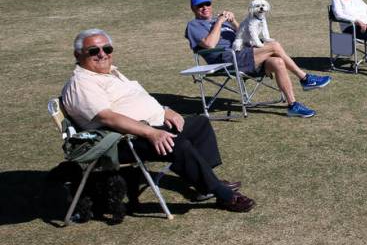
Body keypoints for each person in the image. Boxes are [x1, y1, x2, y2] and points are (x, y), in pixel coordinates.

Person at [62, 29, 256, 212]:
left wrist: (164, 111)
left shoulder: (108, 72)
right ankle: (223, 194)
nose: (102, 54)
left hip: (145, 128)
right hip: (121, 141)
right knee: (178, 144)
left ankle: (205, 183)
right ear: (78, 55)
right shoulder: (82, 83)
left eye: (107, 49)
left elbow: (136, 99)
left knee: (199, 124)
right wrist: (152, 133)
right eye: (94, 50)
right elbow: (108, 117)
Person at [185, 0, 331, 118]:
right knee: (274, 46)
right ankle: (305, 78)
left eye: (207, 4)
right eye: (200, 5)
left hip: (244, 55)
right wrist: (219, 22)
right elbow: (210, 44)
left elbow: (243, 34)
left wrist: (233, 20)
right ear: (193, 8)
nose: (205, 8)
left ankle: (292, 105)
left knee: (278, 62)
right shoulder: (193, 26)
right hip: (227, 59)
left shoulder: (222, 22)